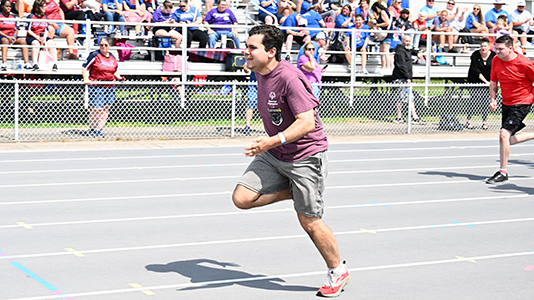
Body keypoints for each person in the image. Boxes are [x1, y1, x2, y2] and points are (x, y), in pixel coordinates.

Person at [232, 24, 350, 297]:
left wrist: (270, 141)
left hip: (305, 156)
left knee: (309, 220)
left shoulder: (289, 78)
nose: (246, 52)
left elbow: (307, 122)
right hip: (276, 153)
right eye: (247, 46)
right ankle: (290, 193)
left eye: (252, 47)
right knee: (242, 198)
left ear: (271, 52)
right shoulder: (260, 72)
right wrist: (272, 144)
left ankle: (337, 270)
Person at [487, 35, 534, 184]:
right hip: (506, 102)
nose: (497, 52)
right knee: (507, 139)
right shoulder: (496, 60)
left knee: (503, 134)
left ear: (511, 48)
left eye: (501, 49)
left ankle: (502, 171)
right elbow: (493, 81)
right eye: (496, 48)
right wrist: (493, 99)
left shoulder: (524, 63)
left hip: (523, 101)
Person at [82, 37, 125, 138]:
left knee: (106, 108)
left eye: (106, 45)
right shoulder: (94, 55)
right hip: (97, 86)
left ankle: (99, 129)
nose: (103, 47)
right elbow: (84, 67)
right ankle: (92, 129)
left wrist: (119, 77)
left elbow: (114, 70)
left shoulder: (112, 57)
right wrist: (86, 79)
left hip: (110, 86)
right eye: (101, 45)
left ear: (109, 46)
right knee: (97, 109)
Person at [392, 35, 424, 124]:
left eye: (409, 41)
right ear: (402, 41)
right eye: (406, 41)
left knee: (411, 98)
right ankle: (399, 117)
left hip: (406, 78)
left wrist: (418, 52)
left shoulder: (406, 50)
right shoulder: (400, 51)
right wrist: (407, 77)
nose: (408, 42)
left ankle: (415, 117)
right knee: (400, 98)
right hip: (400, 78)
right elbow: (401, 65)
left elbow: (412, 51)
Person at [466, 37, 494, 130]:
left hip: (489, 81)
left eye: (485, 46)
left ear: (489, 47)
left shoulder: (494, 56)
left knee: (485, 101)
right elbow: (475, 69)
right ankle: (468, 120)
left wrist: (491, 82)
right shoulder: (475, 55)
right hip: (475, 80)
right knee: (474, 99)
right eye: (482, 46)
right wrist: (485, 81)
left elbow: (495, 69)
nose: (483, 48)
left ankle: (484, 121)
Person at [26, 0, 58, 70]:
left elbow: (46, 29)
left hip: (42, 36)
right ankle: (34, 63)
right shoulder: (31, 17)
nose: (45, 8)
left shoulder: (45, 17)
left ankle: (54, 63)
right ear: (38, 7)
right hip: (32, 36)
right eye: (43, 7)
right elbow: (28, 30)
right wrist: (37, 37)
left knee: (52, 43)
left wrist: (45, 37)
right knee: (36, 43)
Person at [0, 0, 31, 70]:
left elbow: (16, 29)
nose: (9, 8)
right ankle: (4, 63)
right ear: (2, 6)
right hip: (3, 36)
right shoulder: (0, 16)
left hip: (12, 36)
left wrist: (14, 36)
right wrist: (7, 37)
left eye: (10, 6)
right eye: (7, 6)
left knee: (23, 41)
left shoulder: (13, 17)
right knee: (5, 41)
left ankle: (27, 63)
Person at [370, 2, 392, 73]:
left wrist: (377, 25)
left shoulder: (383, 12)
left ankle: (388, 67)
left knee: (385, 50)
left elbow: (387, 22)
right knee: (382, 51)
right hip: (383, 34)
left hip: (386, 33)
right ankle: (383, 67)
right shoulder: (384, 12)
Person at [243, 63, 257, 136]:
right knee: (250, 104)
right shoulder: (253, 57)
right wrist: (246, 69)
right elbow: (246, 68)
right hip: (254, 84)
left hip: (265, 83)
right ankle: (247, 126)